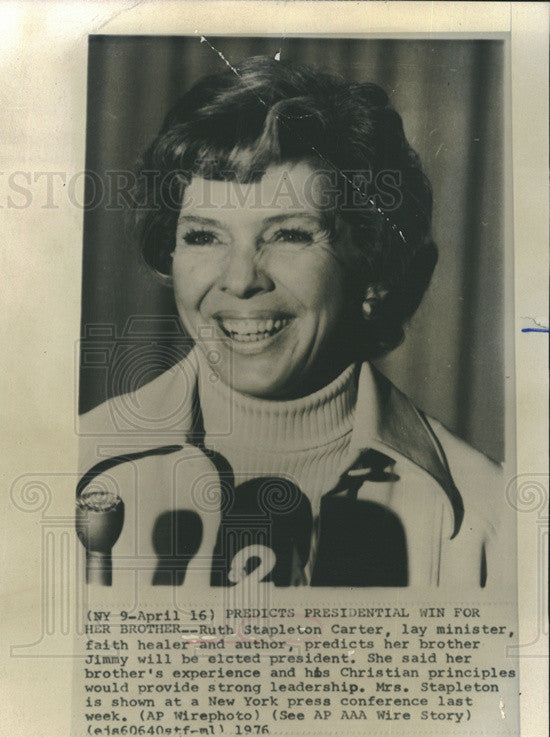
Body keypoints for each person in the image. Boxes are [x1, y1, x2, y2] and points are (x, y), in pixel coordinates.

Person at [77, 56, 504, 589]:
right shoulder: (81, 463)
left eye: (289, 235)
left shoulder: (489, 518)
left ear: (372, 268)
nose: (240, 280)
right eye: (204, 236)